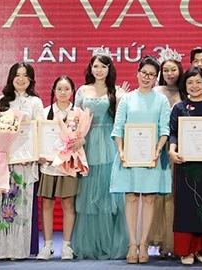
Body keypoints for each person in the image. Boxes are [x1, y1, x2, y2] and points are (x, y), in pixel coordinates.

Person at [110, 56, 172, 264]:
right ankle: (132, 243)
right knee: (131, 198)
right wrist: (121, 150)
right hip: (128, 156)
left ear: (156, 78)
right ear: (137, 73)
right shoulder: (127, 99)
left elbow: (164, 129)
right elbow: (118, 128)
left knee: (149, 199)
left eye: (152, 75)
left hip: (152, 156)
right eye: (144, 73)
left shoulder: (161, 100)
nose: (147, 77)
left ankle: (144, 244)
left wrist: (158, 150)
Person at [71, 51, 129, 260]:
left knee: (109, 193)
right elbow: (74, 118)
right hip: (86, 143)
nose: (99, 70)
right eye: (96, 66)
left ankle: (111, 244)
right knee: (87, 193)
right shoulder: (82, 90)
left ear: (109, 69)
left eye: (103, 66)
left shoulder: (116, 91)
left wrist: (121, 98)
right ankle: (90, 244)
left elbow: (121, 120)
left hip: (109, 142)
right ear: (90, 68)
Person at [0, 62, 44, 259]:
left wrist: (33, 153)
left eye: (25, 75)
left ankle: (19, 249)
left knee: (21, 203)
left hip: (26, 160)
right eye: (17, 75)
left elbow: (39, 130)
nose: (21, 79)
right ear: (11, 78)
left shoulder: (35, 102)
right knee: (2, 203)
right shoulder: (1, 101)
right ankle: (0, 248)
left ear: (31, 79)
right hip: (3, 161)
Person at [168, 67, 202, 266]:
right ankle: (186, 250)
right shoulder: (179, 108)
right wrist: (172, 151)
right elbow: (174, 133)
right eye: (190, 82)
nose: (195, 86)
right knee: (186, 207)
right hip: (185, 163)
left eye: (198, 81)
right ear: (185, 85)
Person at [38, 75, 82, 260]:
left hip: (68, 166)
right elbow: (38, 137)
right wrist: (39, 154)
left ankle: (66, 246)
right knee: (47, 203)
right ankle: (47, 246)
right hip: (48, 166)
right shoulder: (44, 112)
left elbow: (83, 138)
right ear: (54, 91)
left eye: (66, 89)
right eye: (59, 89)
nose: (63, 92)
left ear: (72, 92)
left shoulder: (79, 113)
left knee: (68, 204)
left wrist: (80, 142)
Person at [149, 48, 185, 258]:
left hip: (182, 149)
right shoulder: (156, 91)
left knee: (176, 194)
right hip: (159, 147)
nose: (170, 74)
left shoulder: (186, 90)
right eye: (166, 70)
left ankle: (176, 241)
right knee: (160, 193)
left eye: (173, 70)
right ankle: (162, 240)